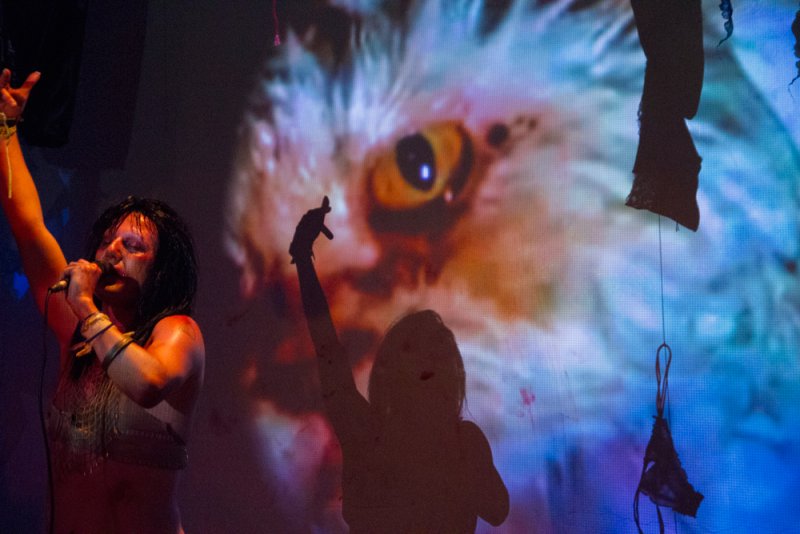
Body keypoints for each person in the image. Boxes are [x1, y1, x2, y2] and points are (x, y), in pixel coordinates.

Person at [0, 69, 204, 533]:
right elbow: (30, 228)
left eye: (133, 246)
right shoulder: (77, 331)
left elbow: (150, 383)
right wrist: (6, 128)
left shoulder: (176, 332)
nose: (113, 251)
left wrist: (88, 311)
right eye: (108, 240)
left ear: (160, 270)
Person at [290, 197, 509, 533]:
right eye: (417, 350)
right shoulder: (368, 431)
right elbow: (326, 348)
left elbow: (496, 509)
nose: (429, 361)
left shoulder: (461, 441)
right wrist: (303, 261)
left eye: (438, 351)